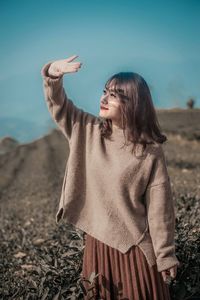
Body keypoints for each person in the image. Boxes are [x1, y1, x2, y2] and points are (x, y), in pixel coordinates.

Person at [41, 55, 180, 300]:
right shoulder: (87, 129)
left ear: (133, 104)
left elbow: (160, 209)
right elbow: (59, 105)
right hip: (97, 247)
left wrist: (166, 254)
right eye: (104, 91)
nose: (104, 98)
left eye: (114, 95)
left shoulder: (150, 151)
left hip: (134, 251)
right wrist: (53, 74)